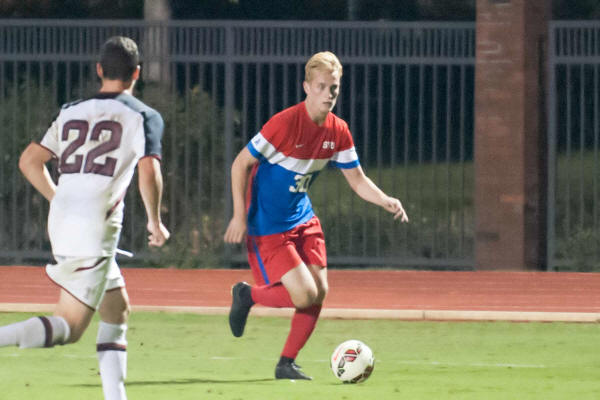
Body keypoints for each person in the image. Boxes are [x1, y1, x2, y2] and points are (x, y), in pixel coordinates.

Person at [0, 36, 169, 400]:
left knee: (117, 311)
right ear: (137, 73)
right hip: (95, 229)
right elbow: (149, 171)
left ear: (99, 70)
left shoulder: (70, 110)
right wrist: (154, 221)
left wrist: (59, 199)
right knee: (70, 326)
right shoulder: (143, 115)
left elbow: (29, 161)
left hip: (63, 221)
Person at [223, 51, 409, 380]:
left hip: (303, 219)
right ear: (306, 87)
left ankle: (286, 364)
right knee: (304, 294)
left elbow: (357, 180)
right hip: (269, 225)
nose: (328, 94)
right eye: (321, 87)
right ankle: (246, 295)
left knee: (319, 291)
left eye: (333, 88)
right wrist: (239, 216)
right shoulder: (284, 124)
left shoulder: (338, 131)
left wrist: (384, 200)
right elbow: (241, 164)